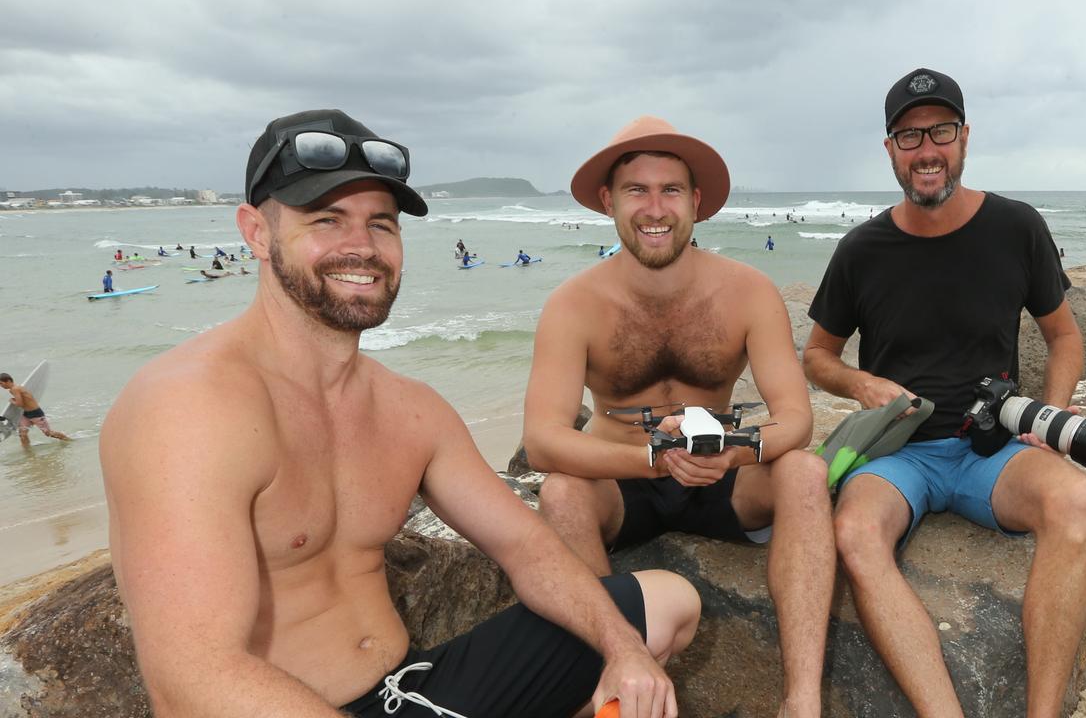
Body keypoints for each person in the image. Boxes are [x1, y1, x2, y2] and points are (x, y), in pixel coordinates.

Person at [102, 108, 697, 718]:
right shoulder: (186, 408)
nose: (361, 247)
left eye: (381, 225)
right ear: (256, 232)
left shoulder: (410, 408)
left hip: (406, 688)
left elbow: (526, 547)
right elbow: (192, 675)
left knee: (663, 605)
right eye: (326, 220)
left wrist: (623, 649)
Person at [802, 68, 1086, 717]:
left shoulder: (1016, 227)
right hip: (900, 452)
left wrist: (1050, 410)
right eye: (909, 136)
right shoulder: (860, 249)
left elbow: (1064, 337)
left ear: (964, 139)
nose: (926, 149)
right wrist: (860, 382)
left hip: (990, 447)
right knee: (853, 532)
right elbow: (817, 356)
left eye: (940, 131)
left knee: (1074, 499)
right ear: (889, 150)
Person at [524, 116, 834, 718]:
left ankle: (802, 700)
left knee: (805, 474)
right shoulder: (573, 304)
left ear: (696, 203)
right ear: (609, 201)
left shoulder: (747, 291)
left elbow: (796, 419)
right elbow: (542, 441)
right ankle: (615, 680)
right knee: (561, 494)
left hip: (721, 476)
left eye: (670, 190)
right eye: (637, 190)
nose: (654, 207)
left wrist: (734, 451)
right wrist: (651, 458)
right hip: (626, 485)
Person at [1, 372, 72, 448]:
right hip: (25, 414)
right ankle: (28, 453)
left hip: (35, 413)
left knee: (48, 433)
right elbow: (24, 401)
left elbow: (19, 404)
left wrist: (12, 401)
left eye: (1, 383)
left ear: (8, 381)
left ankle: (69, 440)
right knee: (23, 434)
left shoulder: (15, 389)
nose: (1, 386)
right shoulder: (16, 388)